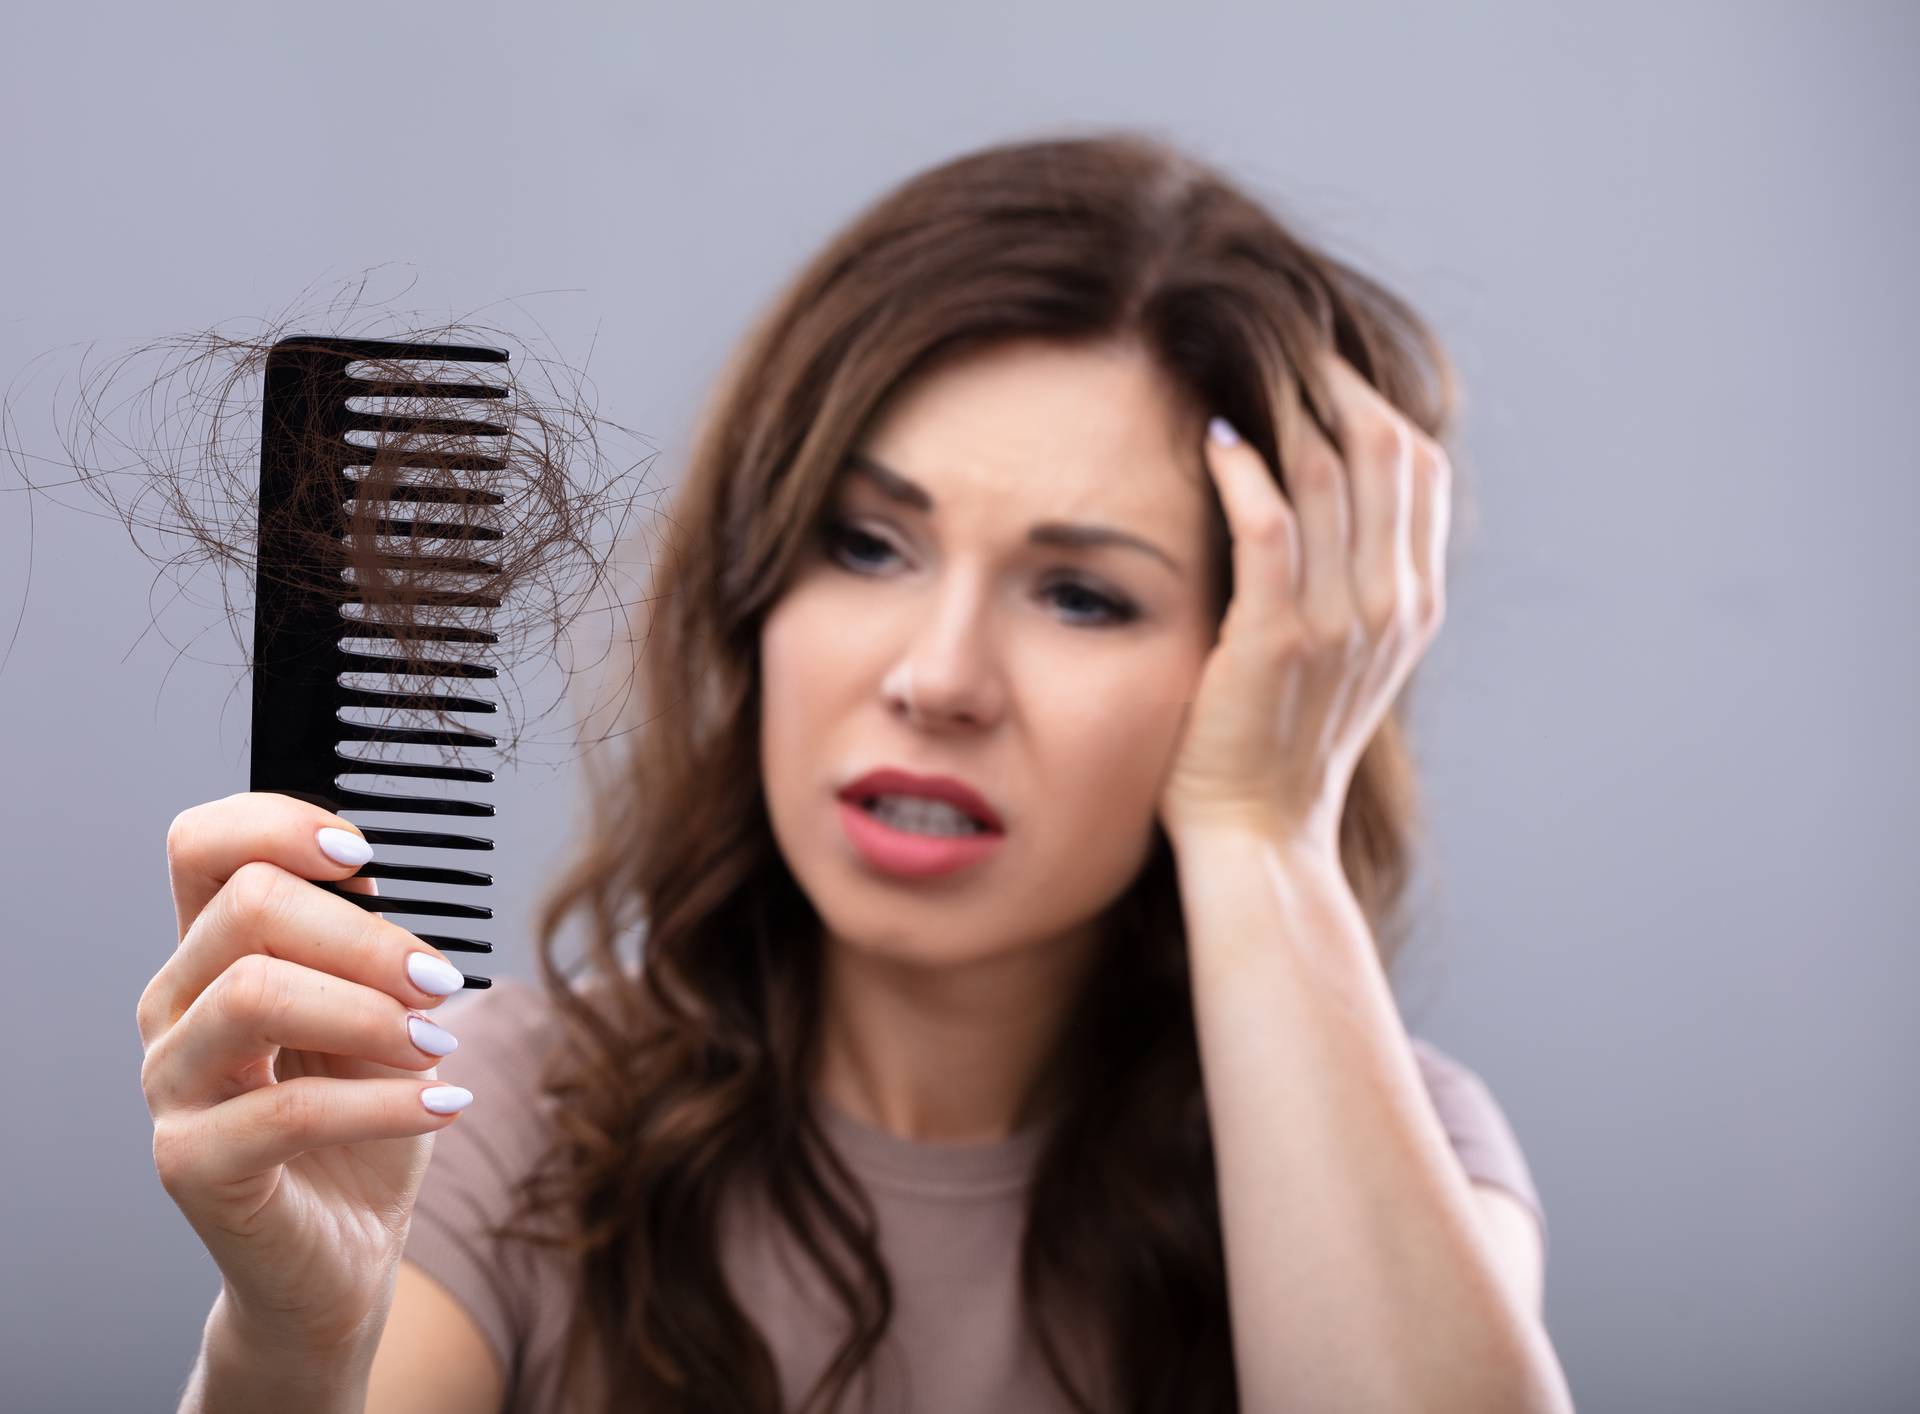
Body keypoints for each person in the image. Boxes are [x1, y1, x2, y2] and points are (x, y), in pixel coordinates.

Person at [140, 129, 1561, 1414]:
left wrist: (1263, 822)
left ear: (1273, 659)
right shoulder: (495, 1116)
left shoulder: (1394, 1147)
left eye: (1082, 594)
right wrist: (293, 1344)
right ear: (756, 590)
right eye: (869, 544)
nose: (937, 676)